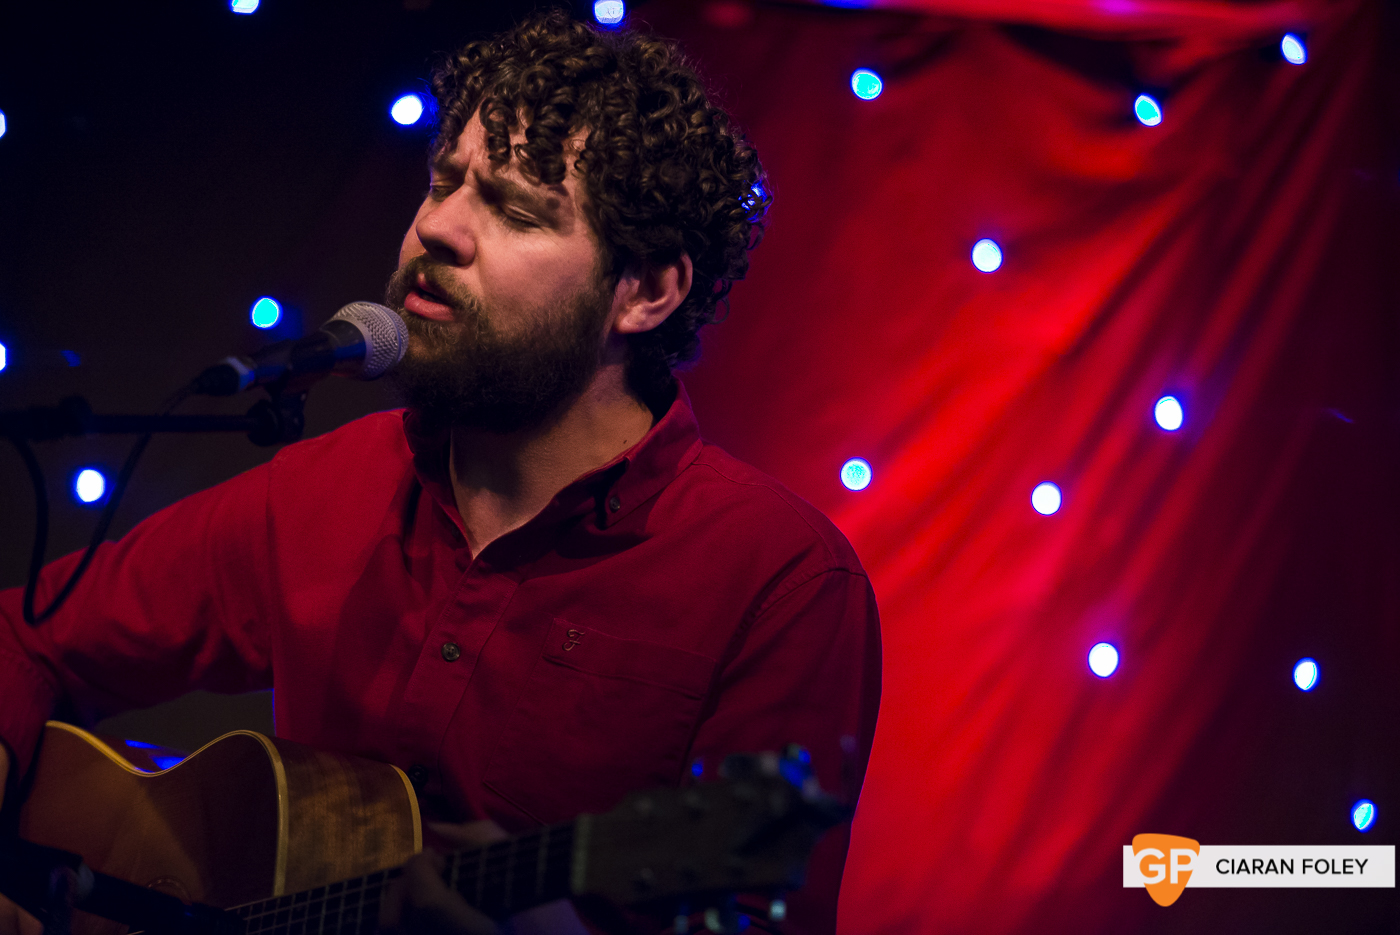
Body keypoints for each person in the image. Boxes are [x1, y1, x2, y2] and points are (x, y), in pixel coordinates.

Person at [0, 11, 881, 935]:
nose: (439, 227)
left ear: (647, 291)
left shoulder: (779, 580)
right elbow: (26, 637)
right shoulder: (326, 487)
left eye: (515, 208)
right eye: (445, 181)